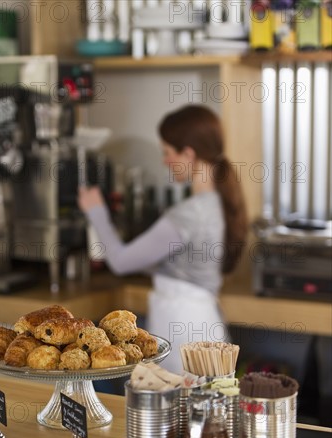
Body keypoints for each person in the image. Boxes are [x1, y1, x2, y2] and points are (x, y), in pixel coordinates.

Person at [78, 105, 248, 374]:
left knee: (177, 412)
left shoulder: (189, 214)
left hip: (182, 330)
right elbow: (177, 261)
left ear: (188, 154)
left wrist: (95, 211)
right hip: (202, 324)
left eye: (167, 152)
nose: (164, 160)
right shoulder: (215, 204)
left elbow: (120, 262)